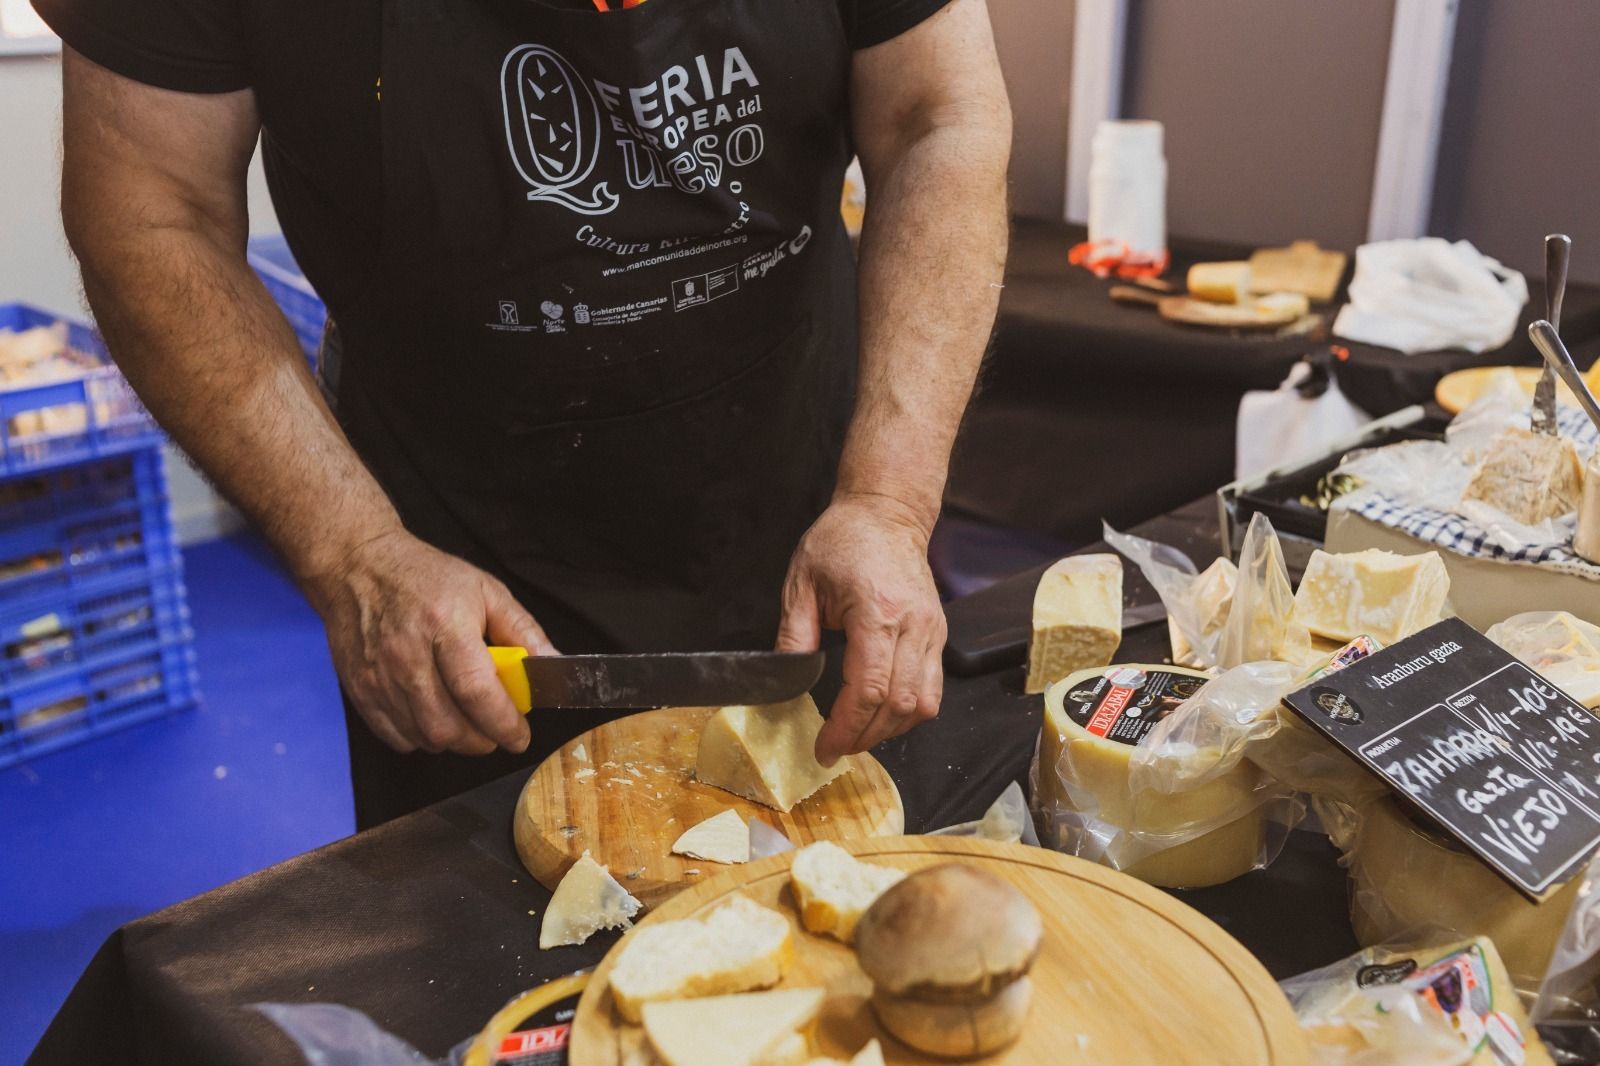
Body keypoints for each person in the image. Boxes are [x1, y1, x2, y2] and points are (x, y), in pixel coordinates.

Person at [38, 0, 1013, 828]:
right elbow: (152, 210)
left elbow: (939, 117)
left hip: (807, 513)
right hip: (448, 569)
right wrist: (354, 553)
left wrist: (887, 498)